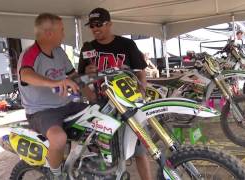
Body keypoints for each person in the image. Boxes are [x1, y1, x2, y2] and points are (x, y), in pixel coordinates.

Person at [77, 7, 152, 180]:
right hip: (103, 107)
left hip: (130, 104)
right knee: (107, 153)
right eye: (92, 25)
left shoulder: (127, 44)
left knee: (140, 150)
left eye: (99, 24)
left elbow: (140, 71)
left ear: (109, 24)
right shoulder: (87, 48)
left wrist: (142, 92)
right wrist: (92, 97)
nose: (95, 28)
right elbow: (80, 79)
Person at [17, 13, 87, 179]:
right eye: (61, 30)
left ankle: (90, 162)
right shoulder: (30, 53)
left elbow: (73, 76)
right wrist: (55, 83)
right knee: (59, 138)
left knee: (101, 115)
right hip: (41, 111)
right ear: (49, 33)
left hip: (66, 105)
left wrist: (87, 77)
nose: (64, 34)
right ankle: (56, 175)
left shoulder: (59, 52)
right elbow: (25, 75)